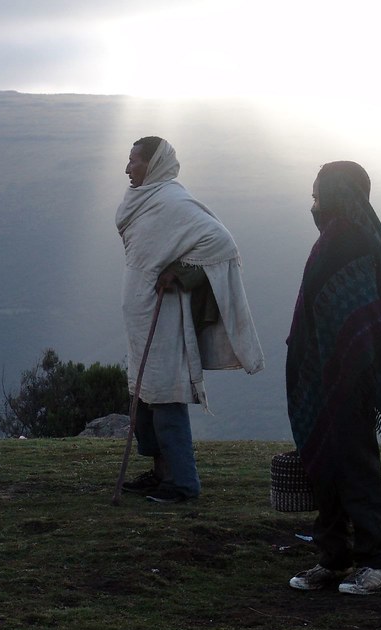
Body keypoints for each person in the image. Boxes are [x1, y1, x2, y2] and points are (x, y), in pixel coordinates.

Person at [285, 161, 381, 594]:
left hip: (348, 379)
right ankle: (333, 559)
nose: (312, 205)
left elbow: (361, 317)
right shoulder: (343, 237)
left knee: (354, 465)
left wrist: (347, 370)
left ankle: (375, 562)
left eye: (317, 195)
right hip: (327, 377)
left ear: (336, 194)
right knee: (324, 466)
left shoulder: (352, 239)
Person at [116, 136, 264, 503]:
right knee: (144, 395)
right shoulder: (145, 199)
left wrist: (182, 273)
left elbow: (221, 242)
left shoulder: (171, 201)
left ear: (152, 165)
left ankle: (183, 483)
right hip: (143, 315)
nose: (127, 168)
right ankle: (160, 473)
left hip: (164, 318)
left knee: (166, 395)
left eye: (134, 161)